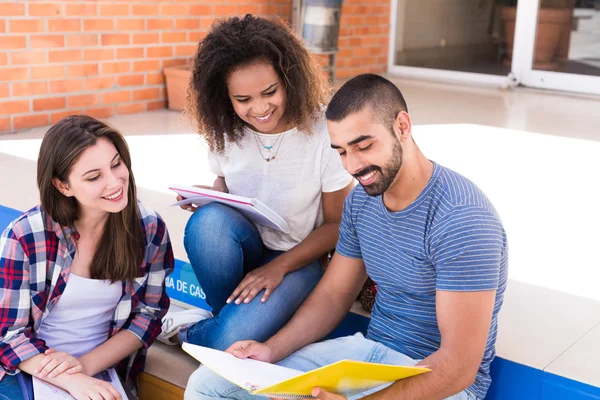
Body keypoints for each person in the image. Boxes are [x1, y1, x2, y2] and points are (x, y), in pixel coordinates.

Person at [185, 74, 508, 400]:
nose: (353, 165)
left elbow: (458, 367)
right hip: (367, 357)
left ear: (403, 127)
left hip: (438, 382)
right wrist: (270, 350)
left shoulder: (463, 218)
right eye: (340, 151)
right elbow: (333, 296)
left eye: (364, 146)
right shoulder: (362, 200)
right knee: (208, 385)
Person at [165, 14, 353, 350]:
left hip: (298, 258)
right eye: (244, 100)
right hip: (246, 245)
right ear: (225, 97)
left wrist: (278, 268)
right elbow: (226, 181)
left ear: (289, 80)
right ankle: (233, 317)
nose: (261, 108)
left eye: (270, 92)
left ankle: (196, 331)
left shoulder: (324, 131)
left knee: (231, 341)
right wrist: (213, 196)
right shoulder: (225, 129)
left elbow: (338, 225)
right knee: (207, 224)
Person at [0, 115, 174, 400]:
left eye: (116, 164)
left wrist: (84, 367)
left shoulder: (148, 227)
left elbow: (148, 317)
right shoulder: (26, 236)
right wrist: (72, 381)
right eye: (94, 177)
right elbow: (9, 334)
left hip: (101, 369)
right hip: (28, 370)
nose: (115, 182)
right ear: (62, 186)